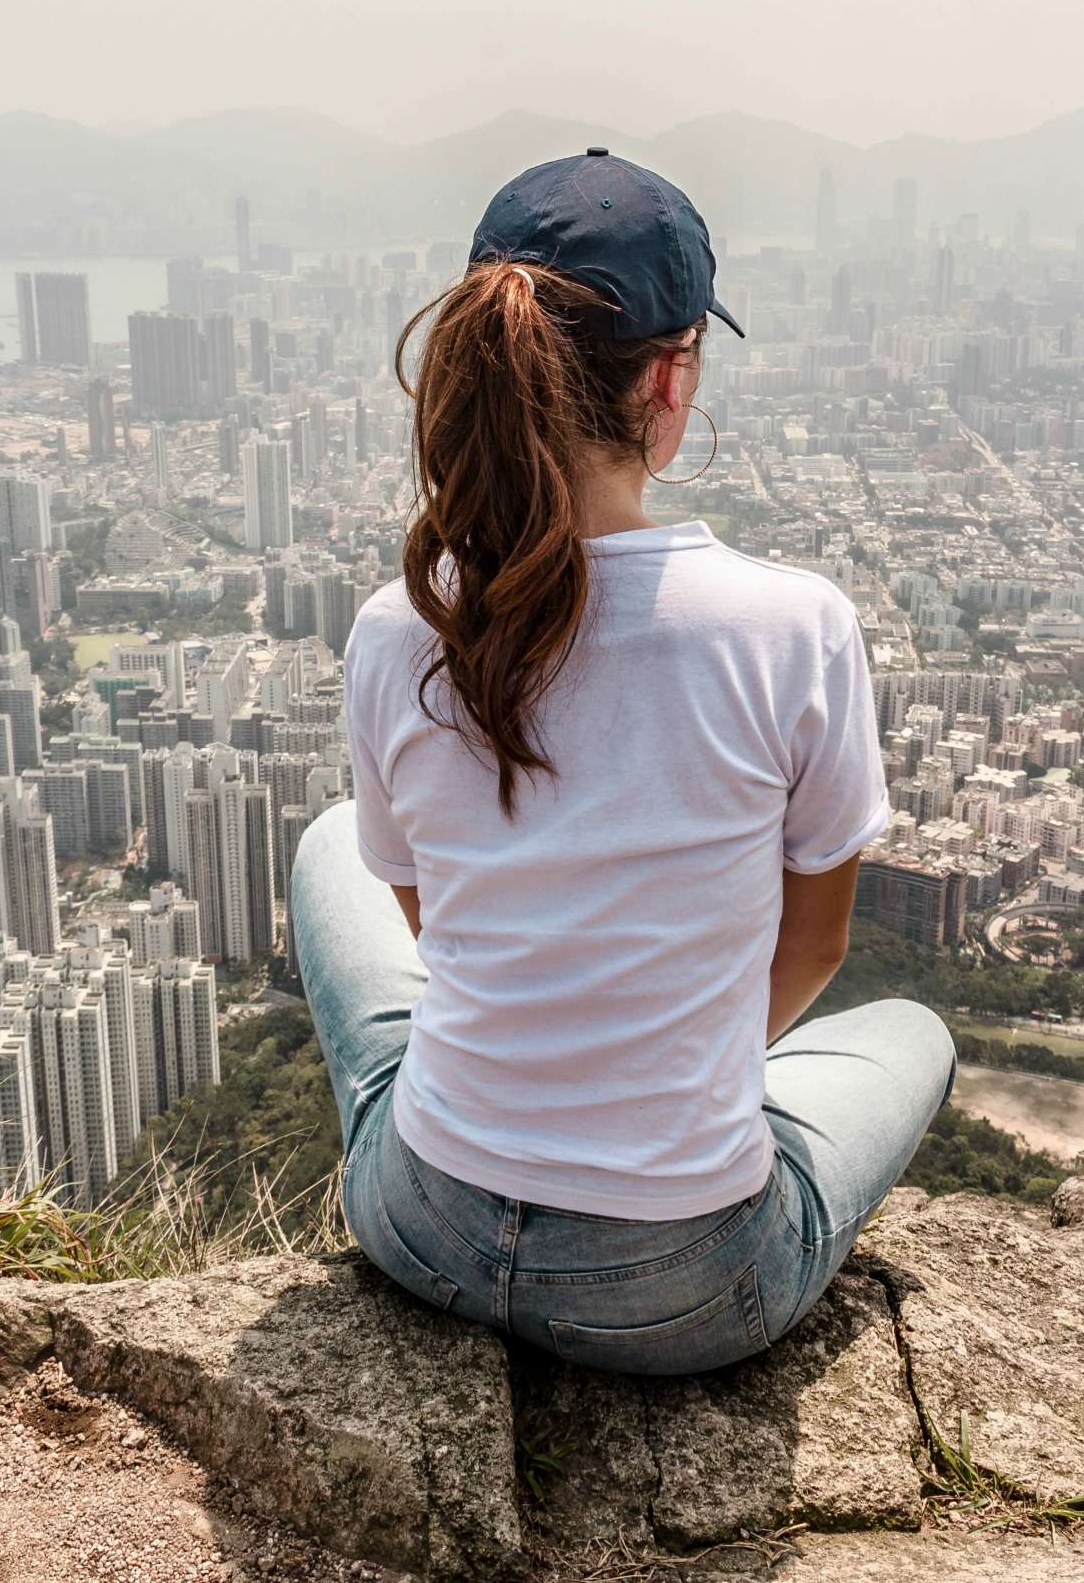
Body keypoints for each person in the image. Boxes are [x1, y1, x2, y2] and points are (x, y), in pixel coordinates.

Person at [292, 148, 955, 1376]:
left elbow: (434, 925)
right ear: (669, 376)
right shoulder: (789, 626)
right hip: (675, 1293)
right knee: (911, 1033)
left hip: (422, 1227)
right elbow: (811, 949)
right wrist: (667, 1080)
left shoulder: (404, 624)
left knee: (334, 844)